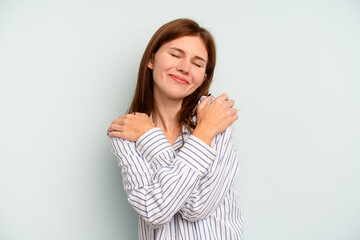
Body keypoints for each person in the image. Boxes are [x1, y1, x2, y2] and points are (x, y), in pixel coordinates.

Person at [107, 18, 243, 239]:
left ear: (202, 79)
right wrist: (151, 135)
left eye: (197, 64)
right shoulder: (126, 132)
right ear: (151, 59)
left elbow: (197, 207)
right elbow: (155, 210)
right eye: (175, 54)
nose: (184, 68)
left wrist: (152, 138)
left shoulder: (214, 118)